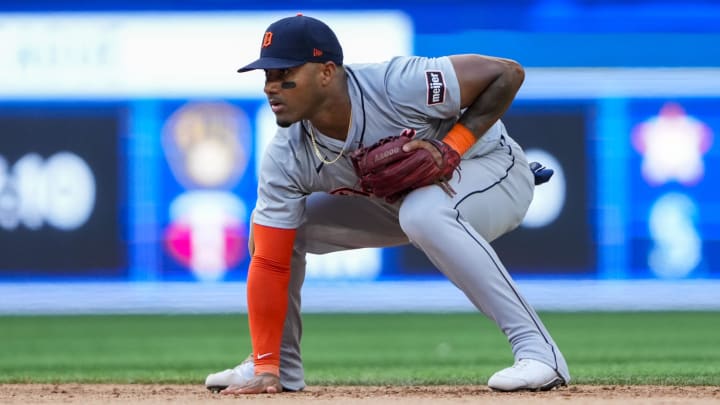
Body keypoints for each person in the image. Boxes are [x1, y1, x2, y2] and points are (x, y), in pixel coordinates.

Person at [205, 13, 571, 394]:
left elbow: (507, 73)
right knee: (280, 230)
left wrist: (453, 146)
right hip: (396, 203)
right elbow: (269, 261)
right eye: (267, 76)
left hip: (493, 169)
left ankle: (540, 353)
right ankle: (274, 366)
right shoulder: (286, 155)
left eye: (285, 73)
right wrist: (266, 362)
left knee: (423, 212)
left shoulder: (397, 86)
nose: (272, 87)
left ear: (327, 72)